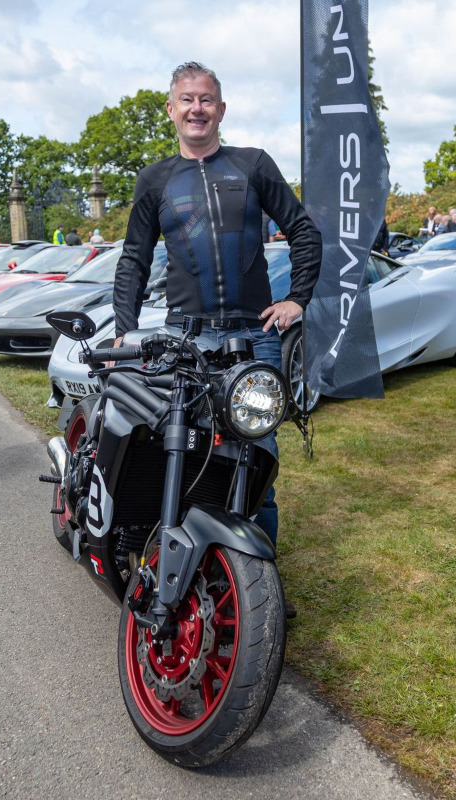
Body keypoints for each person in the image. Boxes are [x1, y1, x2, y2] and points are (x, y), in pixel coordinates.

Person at [112, 61, 322, 553]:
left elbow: (303, 230)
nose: (197, 109)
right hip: (187, 339)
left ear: (221, 109)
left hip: (254, 338)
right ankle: (187, 563)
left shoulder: (253, 165)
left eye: (206, 99)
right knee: (183, 452)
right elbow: (134, 259)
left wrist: (297, 298)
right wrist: (124, 327)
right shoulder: (155, 180)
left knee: (257, 460)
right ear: (171, 109)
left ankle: (258, 573)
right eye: (187, 100)